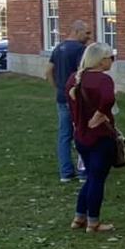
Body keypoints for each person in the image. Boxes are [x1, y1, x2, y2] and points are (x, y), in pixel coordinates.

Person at [66, 42, 117, 233]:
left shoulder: (74, 79)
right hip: (99, 135)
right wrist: (99, 114)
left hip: (80, 134)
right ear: (102, 60)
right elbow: (108, 99)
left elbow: (69, 104)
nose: (112, 61)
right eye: (111, 58)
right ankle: (93, 221)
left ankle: (80, 216)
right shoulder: (103, 80)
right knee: (97, 178)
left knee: (90, 176)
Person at [45, 20, 91, 182]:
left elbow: (48, 71)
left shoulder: (58, 48)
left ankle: (65, 173)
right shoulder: (81, 50)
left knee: (64, 135)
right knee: (82, 133)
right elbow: (82, 73)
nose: (89, 37)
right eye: (87, 33)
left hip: (61, 98)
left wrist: (57, 88)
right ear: (77, 31)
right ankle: (83, 171)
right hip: (76, 99)